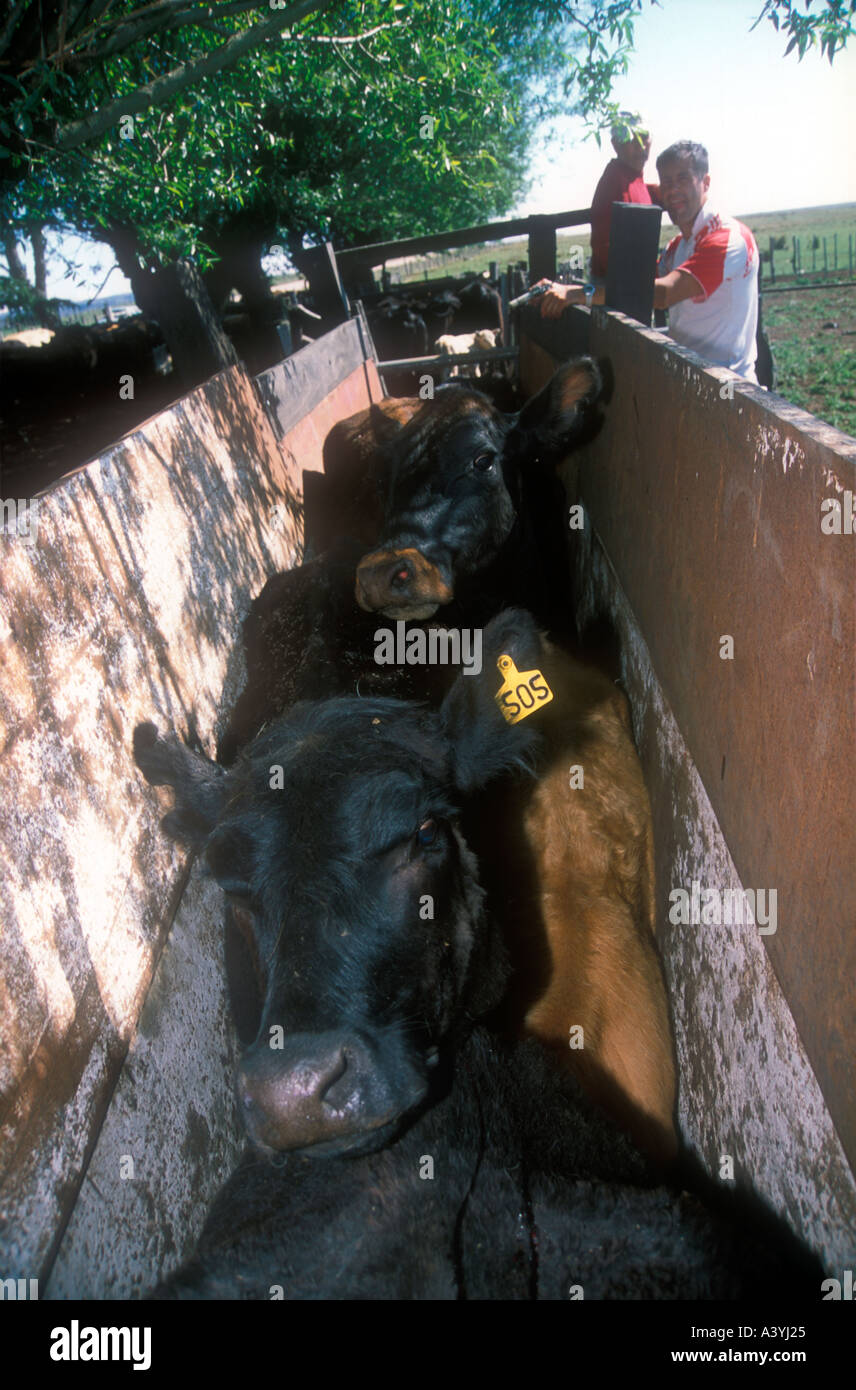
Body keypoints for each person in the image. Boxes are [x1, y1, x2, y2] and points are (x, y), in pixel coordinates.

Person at [539, 140, 760, 383]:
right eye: (666, 182)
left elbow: (660, 294)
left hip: (730, 387)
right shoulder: (677, 247)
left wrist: (577, 294)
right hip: (691, 379)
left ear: (706, 183)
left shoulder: (727, 239)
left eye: (683, 179)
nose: (672, 190)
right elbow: (632, 286)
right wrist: (558, 288)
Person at [589, 112, 659, 281]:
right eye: (631, 138)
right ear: (615, 145)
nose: (640, 144)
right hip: (620, 290)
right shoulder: (614, 181)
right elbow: (605, 248)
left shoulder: (633, 178)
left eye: (643, 136)